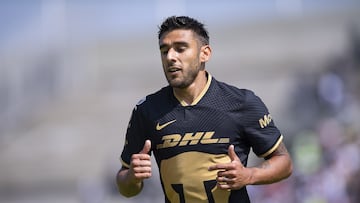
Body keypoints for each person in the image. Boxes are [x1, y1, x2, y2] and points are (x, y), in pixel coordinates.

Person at [116, 16, 292, 203]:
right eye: (164, 50)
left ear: (205, 54)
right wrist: (131, 177)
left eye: (180, 49)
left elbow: (284, 163)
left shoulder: (242, 102)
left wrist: (249, 176)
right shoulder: (147, 110)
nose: (170, 57)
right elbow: (126, 188)